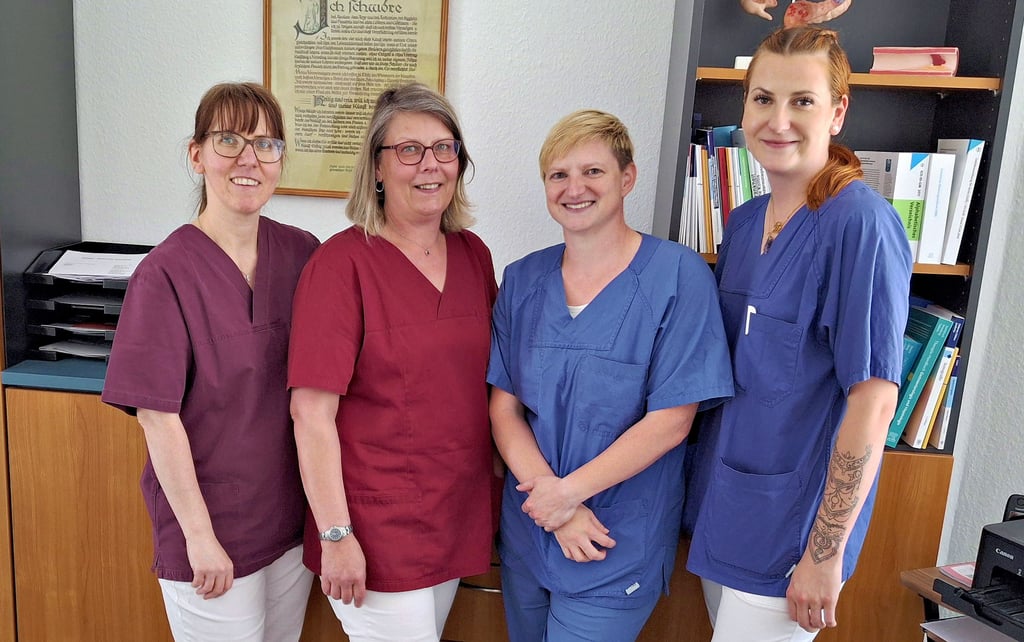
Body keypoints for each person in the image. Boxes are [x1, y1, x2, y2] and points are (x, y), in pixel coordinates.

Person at [684, 26, 913, 641]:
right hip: (726, 503)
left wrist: (824, 553)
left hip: (794, 524)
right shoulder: (743, 222)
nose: (778, 120)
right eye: (763, 99)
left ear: (838, 111)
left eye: (802, 101)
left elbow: (874, 398)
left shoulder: (860, 224)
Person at [487, 109, 735, 642]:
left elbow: (672, 419)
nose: (574, 188)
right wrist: (553, 506)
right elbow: (504, 408)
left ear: (627, 179)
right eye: (559, 175)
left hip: (615, 539)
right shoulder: (523, 278)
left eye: (592, 172)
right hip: (531, 529)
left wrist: (569, 496)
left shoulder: (677, 276)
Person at [102, 81, 319, 641]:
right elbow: (157, 417)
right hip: (210, 531)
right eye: (229, 140)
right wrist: (200, 537)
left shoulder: (302, 254)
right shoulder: (165, 274)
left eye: (266, 144)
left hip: (289, 522)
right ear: (197, 155)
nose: (249, 159)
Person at [287, 82, 498, 642]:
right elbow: (311, 415)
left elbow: (484, 387)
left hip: (455, 508)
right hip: (373, 524)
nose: (430, 165)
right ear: (377, 168)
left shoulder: (474, 256)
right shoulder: (340, 266)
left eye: (444, 148)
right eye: (409, 150)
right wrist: (337, 535)